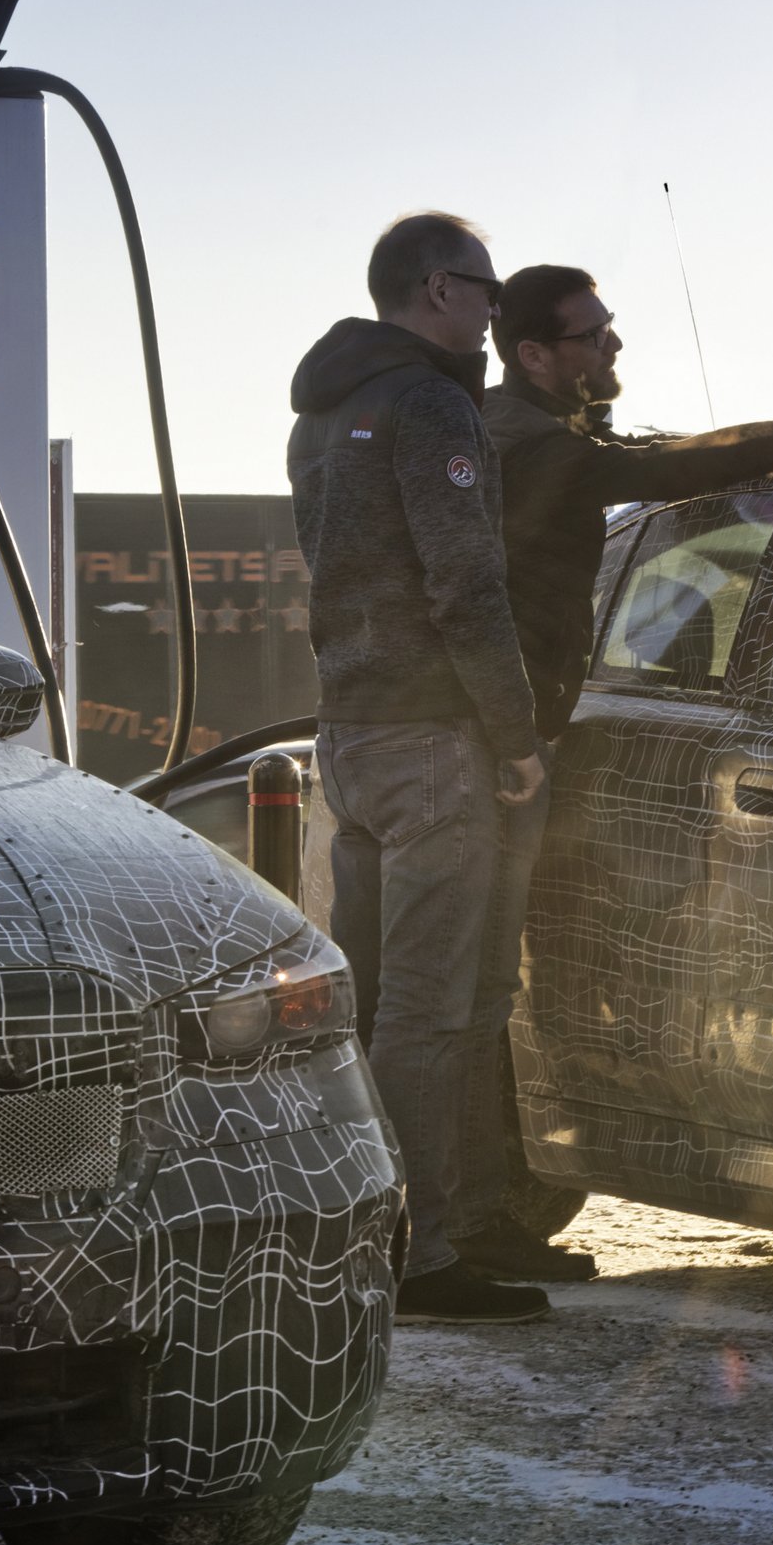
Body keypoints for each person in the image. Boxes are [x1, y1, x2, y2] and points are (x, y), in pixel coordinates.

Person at [450, 262, 773, 1277]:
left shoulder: (527, 431)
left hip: (496, 730)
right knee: (471, 991)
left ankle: (461, 1219)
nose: (613, 347)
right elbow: (663, 466)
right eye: (592, 335)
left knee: (474, 986)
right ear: (534, 352)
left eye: (611, 329)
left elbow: (652, 457)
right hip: (492, 744)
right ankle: (457, 1226)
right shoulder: (537, 449)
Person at [287, 212, 550, 1326]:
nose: (496, 310)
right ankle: (418, 1250)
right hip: (437, 739)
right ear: (439, 287)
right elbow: (464, 582)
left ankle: (358, 1233)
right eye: (487, 289)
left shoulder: (325, 406)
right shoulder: (433, 400)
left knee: (376, 999)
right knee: (434, 1011)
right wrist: (518, 730)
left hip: (349, 732)